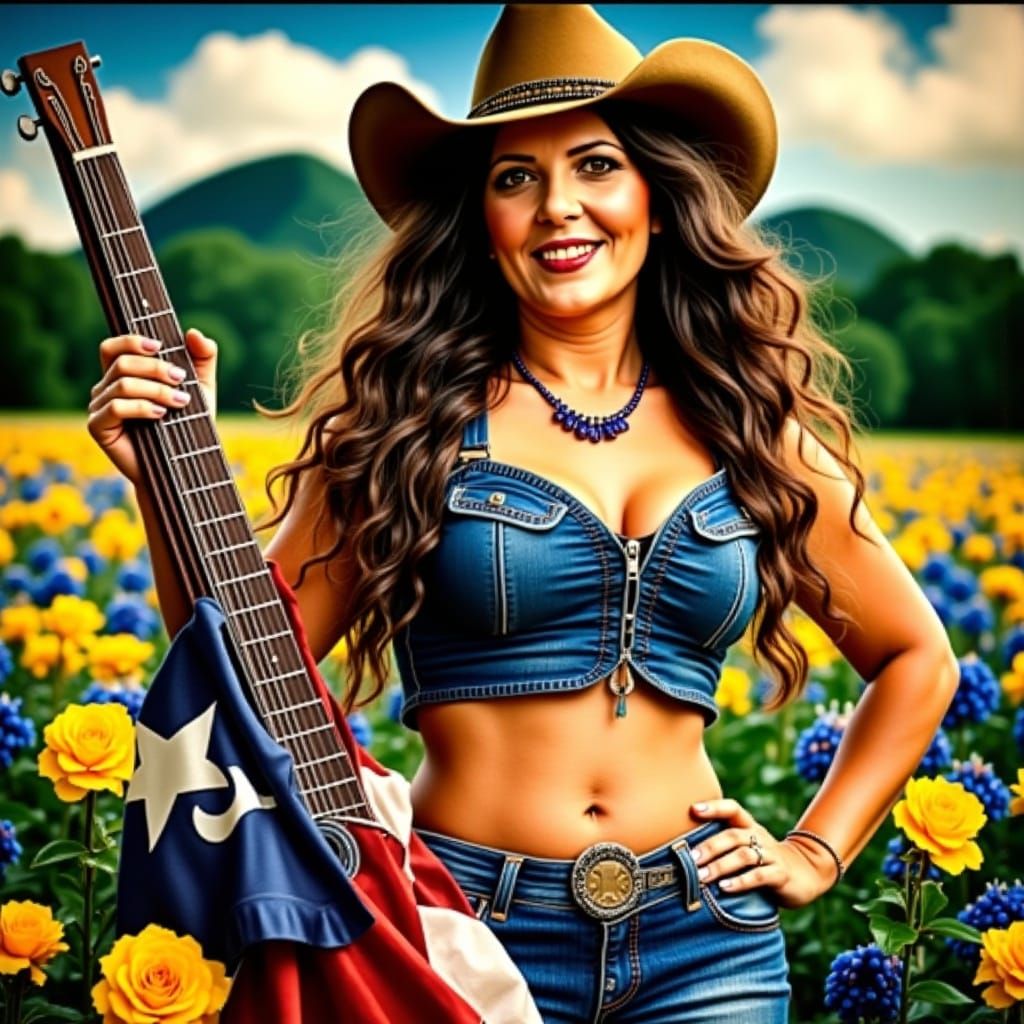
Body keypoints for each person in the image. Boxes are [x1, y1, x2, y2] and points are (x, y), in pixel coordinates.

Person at [87, 5, 960, 1021]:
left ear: (660, 198)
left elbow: (917, 657)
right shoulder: (400, 424)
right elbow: (236, 669)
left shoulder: (751, 429)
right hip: (463, 924)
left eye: (596, 166)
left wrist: (816, 846)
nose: (558, 207)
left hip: (706, 940)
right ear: (480, 219)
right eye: (515, 178)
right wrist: (163, 477)